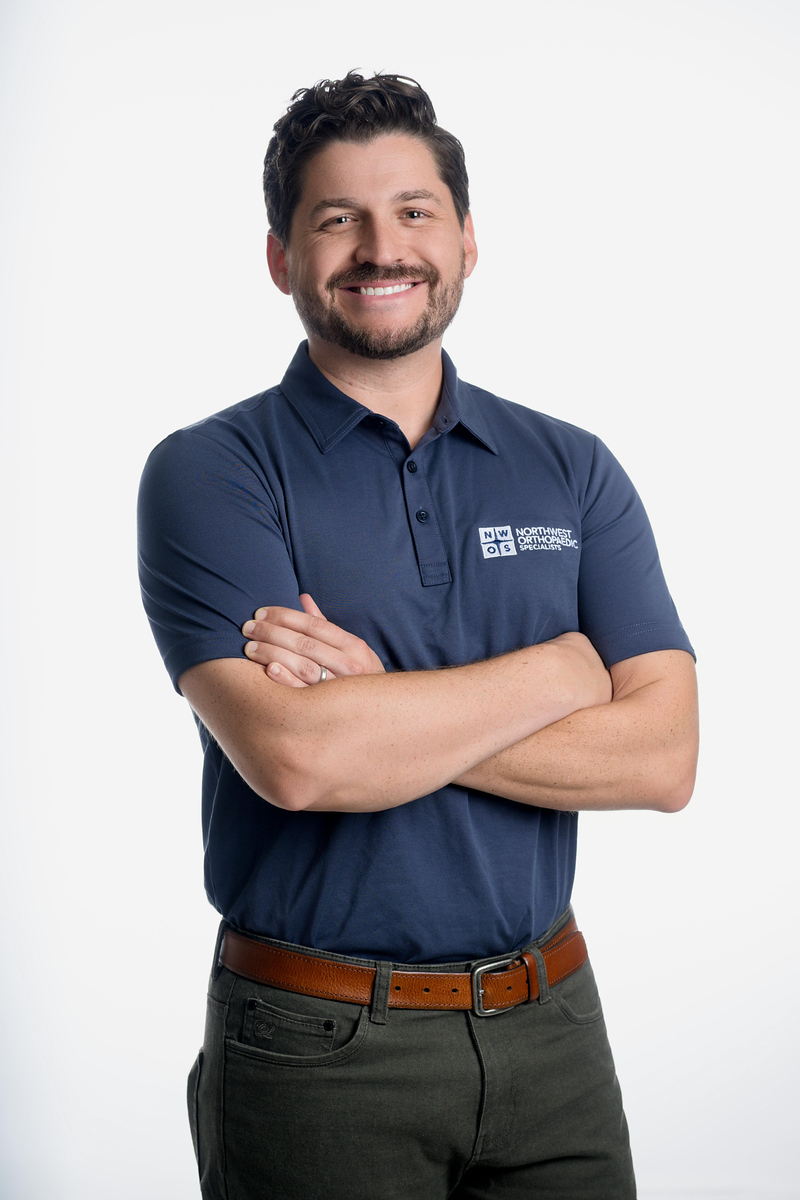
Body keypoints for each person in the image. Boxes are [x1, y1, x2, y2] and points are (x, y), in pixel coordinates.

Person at [138, 71, 698, 1200]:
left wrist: (380, 698)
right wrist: (561, 671)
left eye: (411, 212)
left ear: (467, 240)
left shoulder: (570, 466)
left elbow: (662, 758)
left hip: (554, 1030)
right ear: (280, 257)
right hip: (315, 1046)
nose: (377, 247)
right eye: (335, 218)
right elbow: (299, 760)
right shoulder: (210, 472)